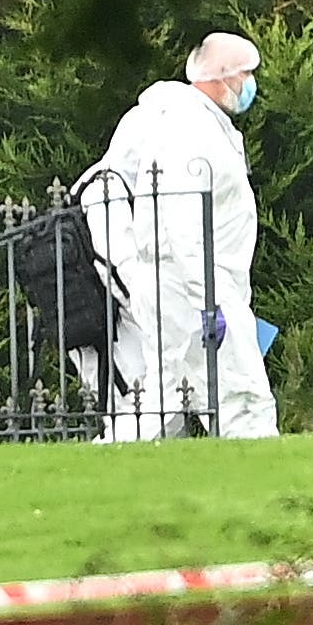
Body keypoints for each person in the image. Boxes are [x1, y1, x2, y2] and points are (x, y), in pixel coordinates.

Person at [82, 29, 276, 438]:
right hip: (192, 287)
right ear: (221, 76)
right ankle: (261, 463)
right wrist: (208, 300)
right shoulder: (190, 130)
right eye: (244, 74)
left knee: (165, 396)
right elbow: (183, 228)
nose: (249, 84)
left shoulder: (202, 123)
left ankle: (109, 456)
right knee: (242, 397)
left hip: (188, 286)